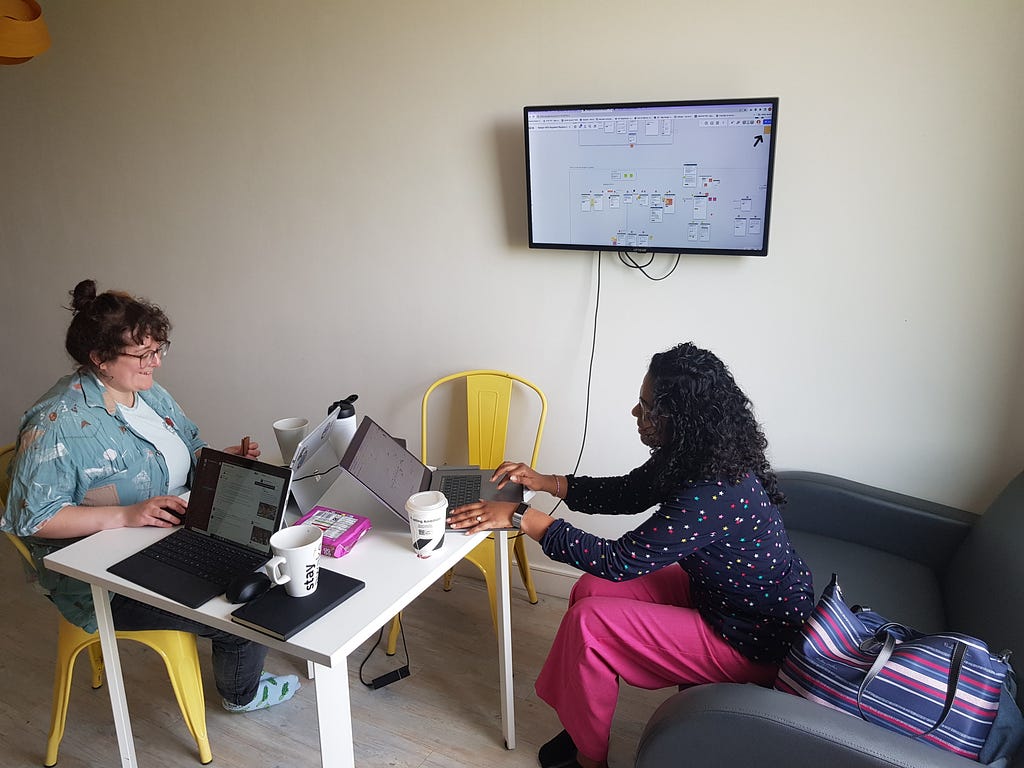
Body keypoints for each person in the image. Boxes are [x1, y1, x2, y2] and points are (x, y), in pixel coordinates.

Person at [447, 342, 815, 768]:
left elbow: (619, 560)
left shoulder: (712, 491)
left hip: (752, 638)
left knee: (590, 627)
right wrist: (547, 481)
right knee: (589, 590)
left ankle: (591, 760)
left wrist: (521, 516)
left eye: (645, 406)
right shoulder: (693, 455)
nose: (635, 414)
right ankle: (585, 719)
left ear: (679, 418)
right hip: (726, 598)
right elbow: (628, 492)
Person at [1, 279, 299, 713]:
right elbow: (33, 519)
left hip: (170, 535)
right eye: (143, 354)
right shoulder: (56, 423)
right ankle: (242, 693)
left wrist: (217, 461)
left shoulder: (148, 393)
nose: (156, 363)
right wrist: (125, 515)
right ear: (99, 358)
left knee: (271, 550)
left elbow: (185, 449)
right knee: (242, 608)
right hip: (100, 578)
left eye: (159, 349)